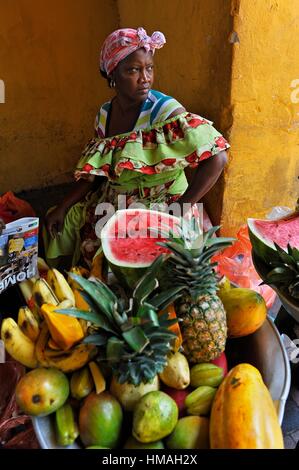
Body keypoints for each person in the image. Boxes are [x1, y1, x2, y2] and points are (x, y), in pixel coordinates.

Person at [44, 27, 229, 270]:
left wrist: (180, 209)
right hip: (115, 201)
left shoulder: (164, 111)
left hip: (163, 206)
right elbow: (96, 175)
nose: (145, 78)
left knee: (140, 269)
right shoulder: (104, 115)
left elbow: (218, 158)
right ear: (113, 74)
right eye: (133, 70)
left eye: (149, 68)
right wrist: (63, 207)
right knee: (62, 225)